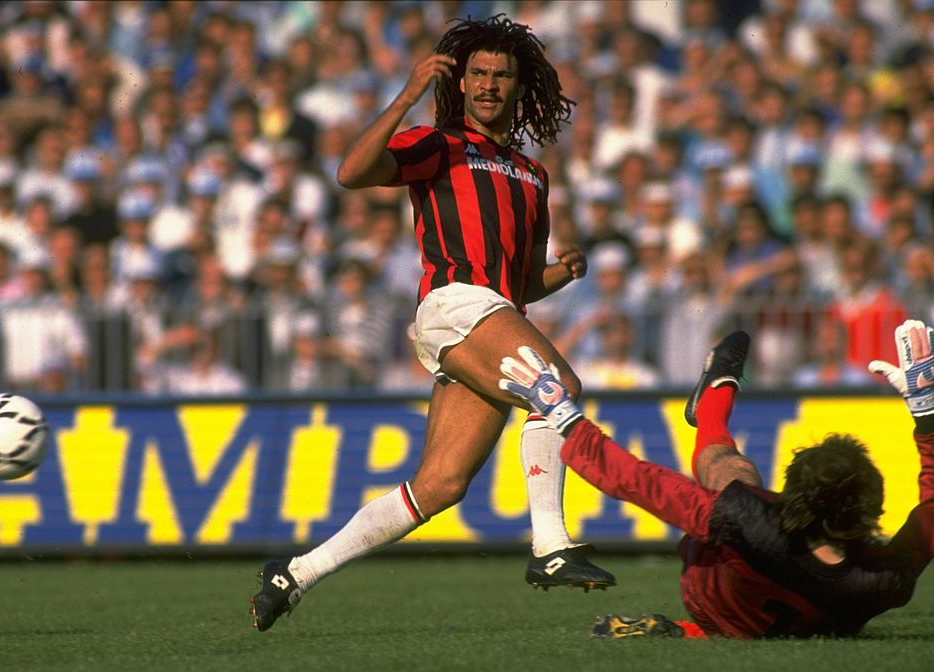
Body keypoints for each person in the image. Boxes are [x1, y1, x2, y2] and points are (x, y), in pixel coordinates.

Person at [251, 14, 616, 632]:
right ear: (461, 82)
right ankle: (551, 547)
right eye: (478, 73)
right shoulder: (439, 144)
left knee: (440, 486)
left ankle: (294, 574)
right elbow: (351, 172)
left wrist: (561, 274)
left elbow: (519, 283)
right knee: (557, 391)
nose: (489, 85)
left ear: (520, 88)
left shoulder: (533, 176)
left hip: (491, 314)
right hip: (453, 305)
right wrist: (406, 94)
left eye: (502, 75)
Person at [497, 325, 933, 639]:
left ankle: (714, 398)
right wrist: (928, 418)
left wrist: (560, 414)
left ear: (790, 494)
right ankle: (688, 634)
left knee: (732, 471)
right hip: (787, 622)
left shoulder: (747, 519)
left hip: (713, 603)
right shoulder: (888, 576)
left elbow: (634, 480)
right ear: (872, 504)